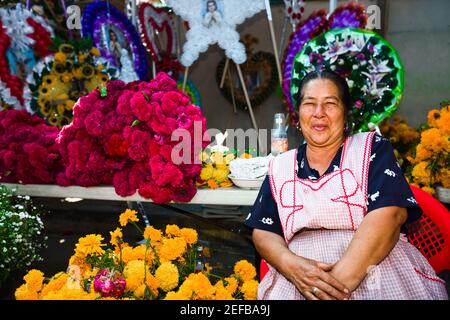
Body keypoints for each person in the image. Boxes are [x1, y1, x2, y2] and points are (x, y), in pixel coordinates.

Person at [245, 70, 448, 300]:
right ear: (298, 115)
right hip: (299, 282)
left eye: (330, 103)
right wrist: (292, 266)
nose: (319, 113)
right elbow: (263, 230)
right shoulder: (280, 166)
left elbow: (389, 215)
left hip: (374, 274)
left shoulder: (372, 149)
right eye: (310, 104)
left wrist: (333, 288)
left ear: (345, 113)